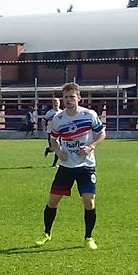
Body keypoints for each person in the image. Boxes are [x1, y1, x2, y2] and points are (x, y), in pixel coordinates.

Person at [36, 83, 105, 250]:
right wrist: (58, 151)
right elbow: (53, 139)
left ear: (78, 98)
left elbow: (101, 133)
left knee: (89, 202)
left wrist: (91, 147)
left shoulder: (89, 115)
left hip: (86, 165)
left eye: (72, 97)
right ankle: (46, 233)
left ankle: (88, 237)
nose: (68, 100)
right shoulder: (58, 119)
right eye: (66, 97)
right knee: (53, 201)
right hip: (66, 166)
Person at [42, 98, 61, 166]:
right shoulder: (49, 113)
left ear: (59, 103)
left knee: (59, 148)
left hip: (60, 133)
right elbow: (43, 120)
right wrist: (44, 128)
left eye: (57, 102)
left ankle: (54, 164)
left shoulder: (62, 112)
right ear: (53, 104)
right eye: (54, 102)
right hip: (51, 132)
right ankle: (48, 150)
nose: (56, 103)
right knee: (53, 148)